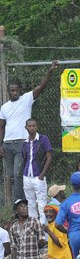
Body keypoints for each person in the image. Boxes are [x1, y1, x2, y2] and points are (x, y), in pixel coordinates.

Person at [0, 60, 58, 203]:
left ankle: (19, 202)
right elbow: (1, 126)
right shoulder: (4, 107)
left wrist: (50, 70)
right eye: (12, 91)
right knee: (12, 176)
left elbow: (41, 86)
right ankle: (22, 201)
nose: (14, 93)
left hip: (22, 143)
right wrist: (0, 144)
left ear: (20, 90)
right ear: (8, 91)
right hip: (7, 144)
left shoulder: (26, 99)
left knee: (18, 172)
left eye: (16, 90)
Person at [21, 118, 52, 225]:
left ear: (37, 127)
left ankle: (44, 228)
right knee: (30, 203)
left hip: (38, 175)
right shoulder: (25, 142)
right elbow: (24, 159)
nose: (32, 128)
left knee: (42, 202)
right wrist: (23, 174)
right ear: (26, 128)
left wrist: (42, 174)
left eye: (34, 126)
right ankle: (34, 226)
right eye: (29, 126)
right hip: (27, 176)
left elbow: (49, 157)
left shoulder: (43, 139)